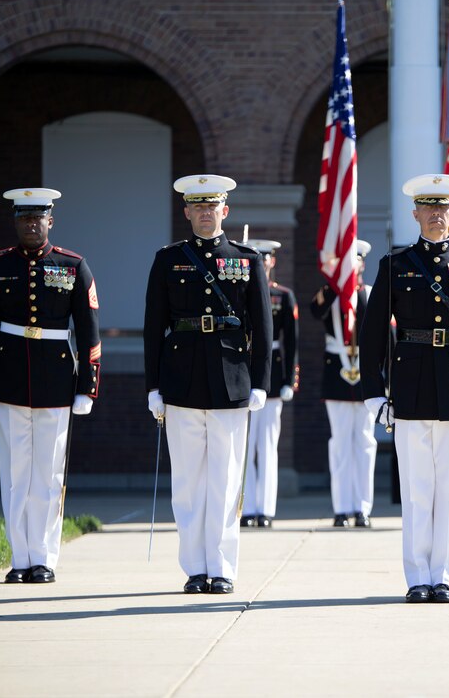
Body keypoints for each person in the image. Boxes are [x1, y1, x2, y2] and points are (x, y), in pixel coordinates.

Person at [361, 173, 449, 604]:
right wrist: (373, 391)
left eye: (445, 208)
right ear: (416, 213)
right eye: (430, 208)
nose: (438, 215)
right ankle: (417, 576)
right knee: (417, 489)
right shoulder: (395, 265)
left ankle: (447, 575)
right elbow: (371, 334)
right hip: (410, 383)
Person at [144, 174, 272, 595]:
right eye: (197, 206)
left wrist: (260, 382)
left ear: (225, 211)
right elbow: (153, 328)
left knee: (225, 480)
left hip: (230, 381)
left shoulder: (246, 259)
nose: (204, 213)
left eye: (211, 206)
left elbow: (263, 327)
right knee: (187, 483)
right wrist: (153, 386)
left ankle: (222, 567)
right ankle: (195, 568)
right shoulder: (168, 259)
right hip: (180, 381)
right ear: (186, 212)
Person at [0, 187, 100, 584]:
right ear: (15, 222)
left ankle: (44, 558)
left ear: (50, 221)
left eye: (38, 217)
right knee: (14, 474)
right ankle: (20, 557)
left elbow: (89, 330)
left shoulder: (74, 266)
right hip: (8, 382)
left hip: (57, 382)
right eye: (24, 217)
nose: (31, 224)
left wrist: (86, 387)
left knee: (48, 474)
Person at [309, 239, 377, 528]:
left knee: (364, 442)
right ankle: (341, 507)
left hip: (365, 376)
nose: (353, 265)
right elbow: (315, 311)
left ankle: (362, 507)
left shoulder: (370, 294)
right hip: (337, 373)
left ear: (362, 264)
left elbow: (383, 335)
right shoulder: (331, 294)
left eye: (356, 260)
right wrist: (335, 286)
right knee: (340, 444)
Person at [240, 239, 298, 529]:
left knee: (268, 445)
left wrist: (289, 379)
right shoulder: (239, 294)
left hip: (272, 374)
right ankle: (248, 508)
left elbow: (292, 343)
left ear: (272, 262)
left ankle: (266, 509)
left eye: (266, 259)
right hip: (242, 372)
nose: (263, 263)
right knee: (246, 448)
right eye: (258, 259)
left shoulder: (282, 296)